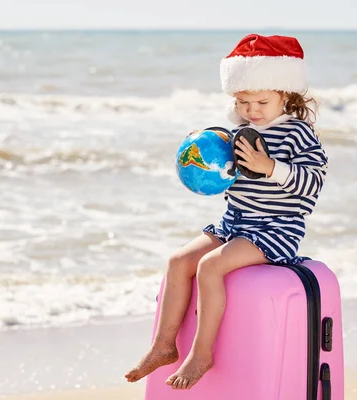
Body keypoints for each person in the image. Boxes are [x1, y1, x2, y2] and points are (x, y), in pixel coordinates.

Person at [125, 33, 328, 390]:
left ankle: (202, 353)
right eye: (243, 102)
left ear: (286, 94)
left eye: (262, 101)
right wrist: (206, 150)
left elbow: (312, 184)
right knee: (178, 262)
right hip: (233, 222)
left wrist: (270, 167)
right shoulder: (239, 132)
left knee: (210, 266)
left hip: (275, 230)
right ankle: (163, 345)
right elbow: (224, 177)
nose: (252, 111)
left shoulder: (298, 134)